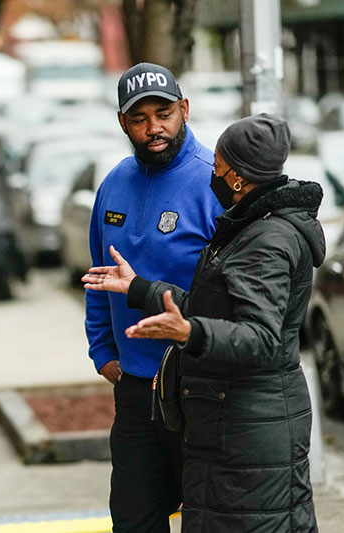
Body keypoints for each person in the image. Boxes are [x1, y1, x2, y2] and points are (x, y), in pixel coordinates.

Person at [83, 114, 322, 531]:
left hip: (249, 421)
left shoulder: (267, 240)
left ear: (236, 178)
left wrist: (189, 333)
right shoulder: (248, 227)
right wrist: (139, 289)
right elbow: (211, 306)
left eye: (218, 166)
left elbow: (261, 338)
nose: (211, 171)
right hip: (225, 415)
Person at [85, 62, 223, 532]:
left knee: (206, 520)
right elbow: (97, 278)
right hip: (136, 391)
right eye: (139, 119)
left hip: (200, 388)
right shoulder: (113, 184)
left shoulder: (216, 184)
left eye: (163, 114)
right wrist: (101, 349)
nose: (153, 129)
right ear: (123, 123)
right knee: (133, 519)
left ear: (184, 109)